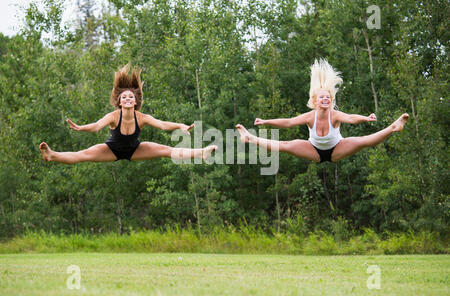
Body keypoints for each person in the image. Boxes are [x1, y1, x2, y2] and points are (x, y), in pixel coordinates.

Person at [236, 59, 409, 163]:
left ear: (331, 100)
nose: (325, 99)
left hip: (336, 149)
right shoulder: (310, 116)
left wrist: (366, 118)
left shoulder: (334, 115)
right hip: (314, 150)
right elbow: (288, 122)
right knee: (285, 145)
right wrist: (266, 122)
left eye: (328, 97)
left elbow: (350, 118)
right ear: (315, 101)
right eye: (322, 97)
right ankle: (249, 137)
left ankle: (393, 127)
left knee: (363, 141)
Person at [40, 64, 217, 164]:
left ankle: (201, 153)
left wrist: (179, 125)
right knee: (82, 155)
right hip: (111, 150)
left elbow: (163, 125)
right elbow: (96, 127)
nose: (127, 99)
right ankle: (52, 155)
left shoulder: (142, 118)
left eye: (130, 97)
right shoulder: (113, 116)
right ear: (119, 101)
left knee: (166, 150)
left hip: (135, 149)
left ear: (135, 101)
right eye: (124, 97)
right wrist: (80, 128)